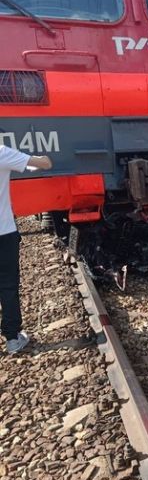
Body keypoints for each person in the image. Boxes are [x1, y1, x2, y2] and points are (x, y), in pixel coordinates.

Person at [0, 145, 52, 354]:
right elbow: (44, 164)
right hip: (3, 233)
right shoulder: (2, 152)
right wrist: (41, 157)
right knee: (8, 286)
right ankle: (13, 340)